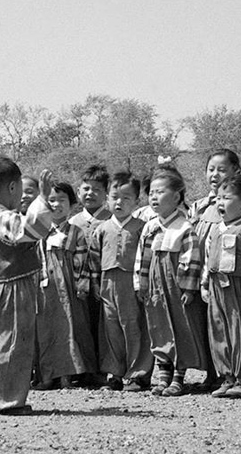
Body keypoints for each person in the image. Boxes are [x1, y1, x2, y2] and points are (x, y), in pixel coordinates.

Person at [0, 159, 54, 415]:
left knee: (6, 340)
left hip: (6, 286)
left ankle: (4, 395)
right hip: (12, 287)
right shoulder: (1, 216)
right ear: (12, 187)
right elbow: (30, 230)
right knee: (13, 341)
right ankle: (7, 400)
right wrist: (43, 199)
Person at [134, 166, 208, 397]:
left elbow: (192, 259)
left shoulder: (184, 227)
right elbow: (142, 258)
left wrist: (188, 287)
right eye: (151, 193)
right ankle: (163, 374)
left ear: (176, 197)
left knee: (180, 327)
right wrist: (141, 284)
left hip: (175, 286)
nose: (154, 197)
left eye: (160, 192)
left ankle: (179, 376)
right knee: (158, 326)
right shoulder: (149, 226)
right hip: (155, 287)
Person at [200, 174, 241, 399]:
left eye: (226, 198)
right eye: (218, 198)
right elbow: (208, 259)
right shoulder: (215, 229)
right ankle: (226, 376)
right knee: (219, 331)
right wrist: (205, 284)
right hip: (217, 287)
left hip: (239, 288)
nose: (220, 203)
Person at [90, 171, 153, 391]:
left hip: (132, 283)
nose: (120, 202)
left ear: (137, 201)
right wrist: (96, 284)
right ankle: (114, 373)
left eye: (126, 198)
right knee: (110, 328)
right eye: (115, 197)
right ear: (107, 198)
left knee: (134, 326)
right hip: (108, 282)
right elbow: (95, 260)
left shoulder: (141, 227)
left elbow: (147, 258)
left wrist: (142, 284)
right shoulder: (102, 228)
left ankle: (138, 374)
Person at [34, 182, 97, 390]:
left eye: (62, 200)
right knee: (45, 329)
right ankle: (46, 374)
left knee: (69, 326)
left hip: (68, 288)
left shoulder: (75, 232)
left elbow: (83, 261)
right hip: (43, 287)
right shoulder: (38, 231)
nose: (56, 204)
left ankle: (68, 374)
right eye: (51, 200)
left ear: (72, 204)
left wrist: (82, 284)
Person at [189, 148, 241, 392]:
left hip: (223, 274)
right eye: (211, 169)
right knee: (204, 323)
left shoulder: (237, 206)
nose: (214, 174)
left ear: (234, 172)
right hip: (197, 272)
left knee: (224, 324)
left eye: (221, 169)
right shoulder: (198, 206)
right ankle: (211, 372)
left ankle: (229, 373)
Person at [69, 164, 112, 382]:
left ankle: (102, 369)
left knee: (103, 324)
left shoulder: (112, 219)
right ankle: (83, 368)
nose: (90, 193)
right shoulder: (72, 222)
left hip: (104, 282)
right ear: (78, 192)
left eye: (96, 189)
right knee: (80, 325)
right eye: (86, 188)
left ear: (106, 193)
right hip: (77, 284)